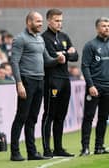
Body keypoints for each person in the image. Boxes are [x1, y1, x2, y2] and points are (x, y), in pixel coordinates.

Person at [10, 11, 65, 161]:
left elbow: (46, 60)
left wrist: (57, 59)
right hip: (27, 81)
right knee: (21, 116)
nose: (41, 24)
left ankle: (32, 152)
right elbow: (14, 62)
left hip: (40, 80)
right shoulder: (20, 39)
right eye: (38, 21)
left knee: (33, 118)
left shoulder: (40, 39)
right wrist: (19, 84)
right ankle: (14, 152)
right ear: (29, 22)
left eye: (41, 21)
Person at [41, 8, 78, 157]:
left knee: (60, 116)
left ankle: (58, 148)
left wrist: (64, 54)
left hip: (65, 79)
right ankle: (46, 149)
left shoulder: (64, 36)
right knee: (49, 114)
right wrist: (66, 52)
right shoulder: (44, 38)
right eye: (56, 20)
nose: (59, 23)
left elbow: (75, 56)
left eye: (61, 20)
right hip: (52, 80)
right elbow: (50, 57)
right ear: (49, 20)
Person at [80, 17, 109, 156]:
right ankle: (85, 147)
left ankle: (99, 146)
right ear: (97, 28)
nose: (107, 28)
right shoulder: (90, 45)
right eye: (104, 26)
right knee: (89, 117)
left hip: (108, 88)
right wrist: (90, 85)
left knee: (103, 117)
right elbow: (85, 66)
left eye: (108, 26)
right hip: (95, 87)